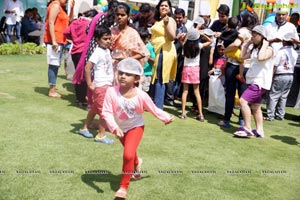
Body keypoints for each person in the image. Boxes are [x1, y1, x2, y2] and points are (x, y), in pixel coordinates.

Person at [101, 58, 174, 199]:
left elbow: (153, 109)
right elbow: (106, 112)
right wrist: (115, 127)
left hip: (136, 127)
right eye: (121, 72)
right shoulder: (111, 91)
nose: (122, 76)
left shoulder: (141, 95)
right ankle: (137, 162)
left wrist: (165, 118)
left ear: (136, 78)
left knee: (127, 154)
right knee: (131, 154)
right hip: (120, 128)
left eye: (128, 74)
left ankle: (123, 187)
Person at [234, 25, 274, 138]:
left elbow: (261, 58)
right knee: (256, 106)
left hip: (260, 82)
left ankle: (247, 128)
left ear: (261, 36)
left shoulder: (269, 49)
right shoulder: (255, 49)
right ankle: (260, 130)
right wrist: (246, 45)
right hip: (254, 81)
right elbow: (242, 57)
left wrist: (265, 43)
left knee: (242, 101)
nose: (252, 37)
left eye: (255, 35)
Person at [76, 26, 114, 144]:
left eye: (109, 38)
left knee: (94, 109)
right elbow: (88, 68)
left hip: (107, 84)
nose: (108, 41)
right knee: (105, 111)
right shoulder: (97, 52)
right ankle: (101, 135)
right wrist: (89, 83)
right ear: (97, 40)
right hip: (101, 85)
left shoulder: (106, 50)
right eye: (105, 39)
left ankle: (84, 128)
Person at [64, 9, 98, 107]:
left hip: (75, 51)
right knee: (85, 76)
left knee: (78, 75)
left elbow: (66, 33)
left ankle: (79, 99)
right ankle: (83, 99)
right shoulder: (91, 23)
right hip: (85, 52)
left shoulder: (76, 22)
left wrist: (75, 40)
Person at [44, 0, 75, 98]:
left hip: (60, 40)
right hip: (55, 40)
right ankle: (52, 90)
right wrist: (53, 40)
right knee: (54, 64)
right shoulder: (55, 6)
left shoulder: (60, 7)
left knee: (56, 64)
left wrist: (72, 8)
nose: (66, 1)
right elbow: (50, 23)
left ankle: (52, 88)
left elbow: (69, 21)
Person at [180, 28, 212, 121]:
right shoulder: (199, 45)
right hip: (195, 70)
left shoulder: (185, 46)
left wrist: (187, 34)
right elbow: (210, 41)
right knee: (197, 92)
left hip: (186, 68)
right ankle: (201, 114)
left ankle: (183, 113)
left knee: (185, 91)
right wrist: (203, 35)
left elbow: (180, 40)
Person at [150, 0, 177, 110]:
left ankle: (158, 106)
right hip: (158, 50)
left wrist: (166, 25)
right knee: (157, 77)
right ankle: (156, 104)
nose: (164, 7)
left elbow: (171, 37)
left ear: (170, 8)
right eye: (162, 5)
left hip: (165, 51)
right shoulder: (159, 20)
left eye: (166, 6)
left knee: (161, 78)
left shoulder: (169, 20)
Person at [265, 33, 298, 121]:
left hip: (280, 74)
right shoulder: (294, 52)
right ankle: (280, 115)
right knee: (284, 96)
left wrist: (271, 77)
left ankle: (270, 115)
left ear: (284, 41)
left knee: (273, 95)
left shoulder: (280, 51)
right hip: (290, 74)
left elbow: (275, 65)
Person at [110, 2, 149, 68]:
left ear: (128, 16)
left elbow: (143, 53)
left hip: (126, 67)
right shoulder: (111, 31)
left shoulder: (132, 33)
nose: (119, 17)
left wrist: (127, 60)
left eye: (122, 15)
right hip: (111, 66)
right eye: (117, 14)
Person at [220, 16, 245, 83]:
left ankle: (224, 66)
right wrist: (242, 40)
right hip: (234, 52)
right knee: (242, 62)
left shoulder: (225, 32)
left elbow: (221, 37)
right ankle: (241, 75)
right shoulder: (236, 32)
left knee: (227, 59)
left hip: (228, 52)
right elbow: (240, 38)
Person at [138, 27, 155, 93]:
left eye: (143, 39)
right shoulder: (138, 46)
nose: (142, 41)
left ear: (147, 37)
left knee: (144, 90)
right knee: (138, 90)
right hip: (139, 72)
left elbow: (154, 60)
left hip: (147, 73)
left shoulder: (150, 47)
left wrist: (147, 57)